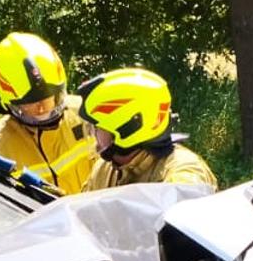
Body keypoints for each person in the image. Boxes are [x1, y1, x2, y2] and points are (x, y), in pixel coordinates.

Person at [0, 32, 96, 197]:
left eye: (47, 98)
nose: (41, 109)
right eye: (30, 103)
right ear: (10, 104)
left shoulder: (87, 114)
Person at [76, 68, 217, 192]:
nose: (92, 134)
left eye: (96, 127)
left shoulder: (184, 172)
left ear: (127, 129)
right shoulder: (104, 169)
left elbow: (180, 211)